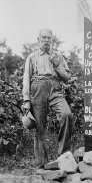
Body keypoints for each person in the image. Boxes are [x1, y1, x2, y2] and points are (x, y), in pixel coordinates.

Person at [22, 29, 73, 168]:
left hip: (55, 88)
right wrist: (26, 100)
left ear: (52, 40)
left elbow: (67, 78)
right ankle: (41, 164)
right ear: (38, 39)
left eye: (49, 38)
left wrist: (57, 65)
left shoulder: (58, 56)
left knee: (66, 115)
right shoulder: (32, 57)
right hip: (38, 88)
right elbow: (26, 78)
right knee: (39, 126)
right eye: (43, 38)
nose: (46, 40)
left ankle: (64, 156)